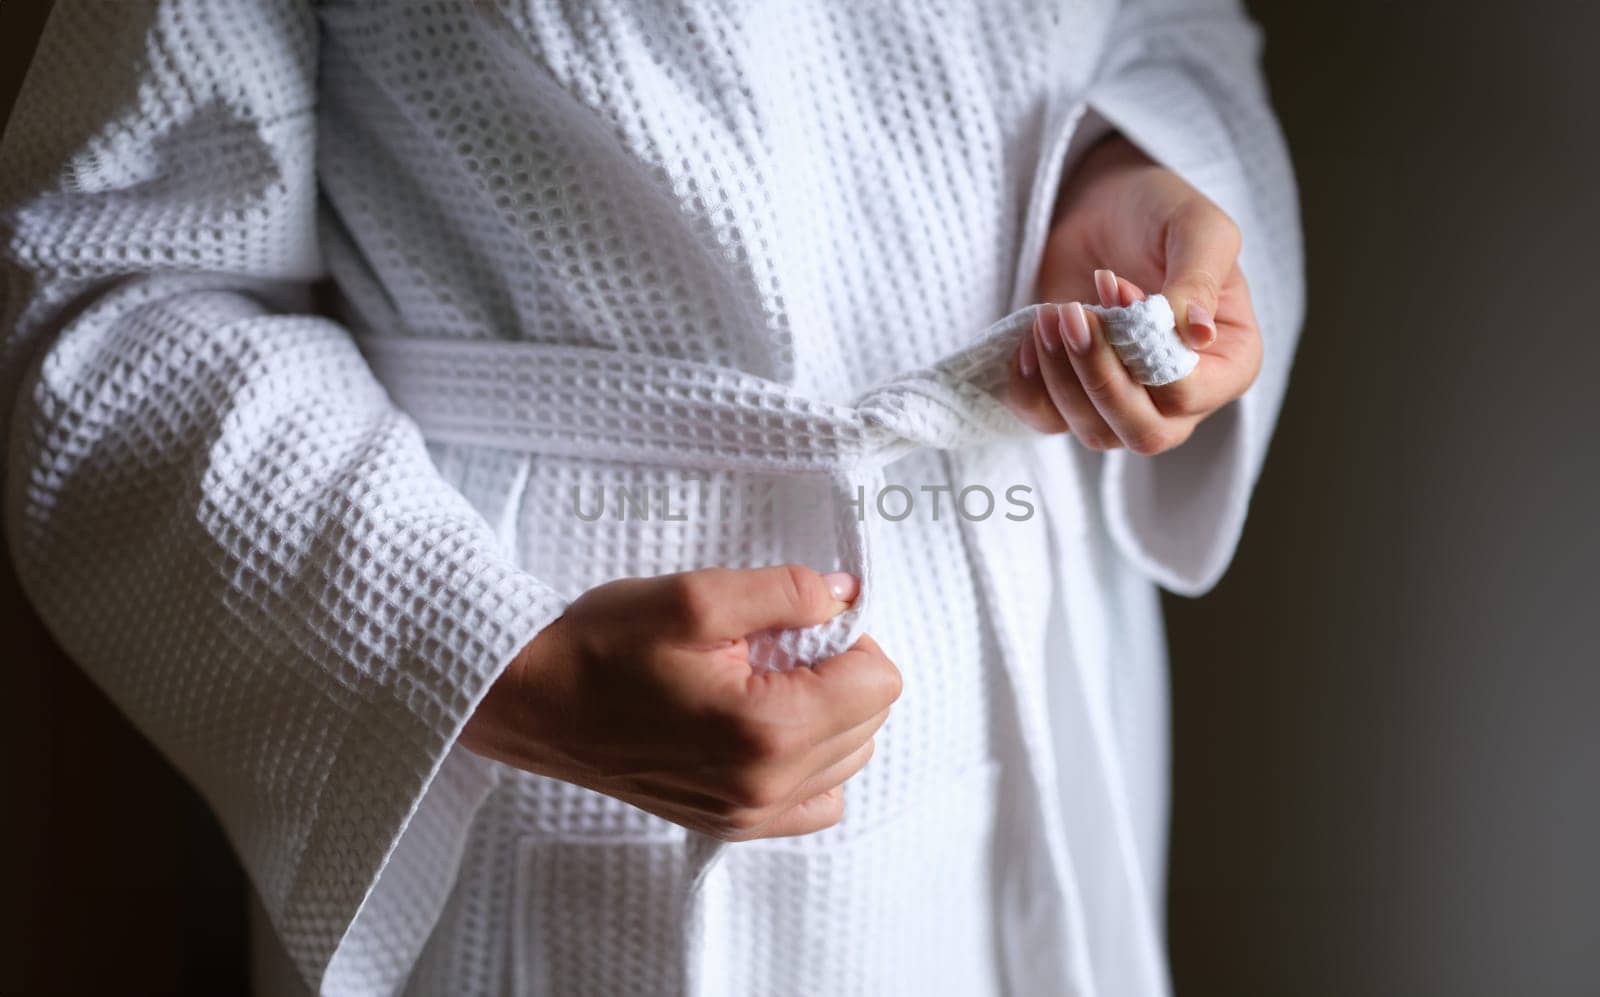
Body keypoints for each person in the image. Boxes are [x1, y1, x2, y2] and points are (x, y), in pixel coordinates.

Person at [0, 1, 1301, 994]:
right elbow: (122, 297)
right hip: (555, 741)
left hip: (1023, 633)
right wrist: (488, 659)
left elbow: (1166, 27)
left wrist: (1125, 172)